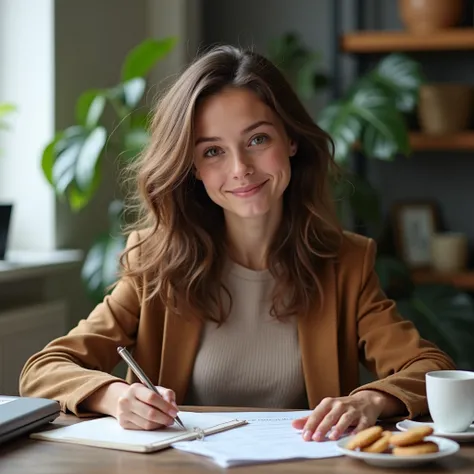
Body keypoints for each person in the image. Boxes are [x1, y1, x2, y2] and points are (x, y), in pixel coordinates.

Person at [19, 45, 455, 443]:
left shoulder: (346, 261)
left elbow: (431, 369)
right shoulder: (154, 260)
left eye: (257, 139)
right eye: (212, 151)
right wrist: (115, 397)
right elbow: (44, 371)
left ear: (291, 140)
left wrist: (369, 401)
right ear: (191, 167)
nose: (240, 168)